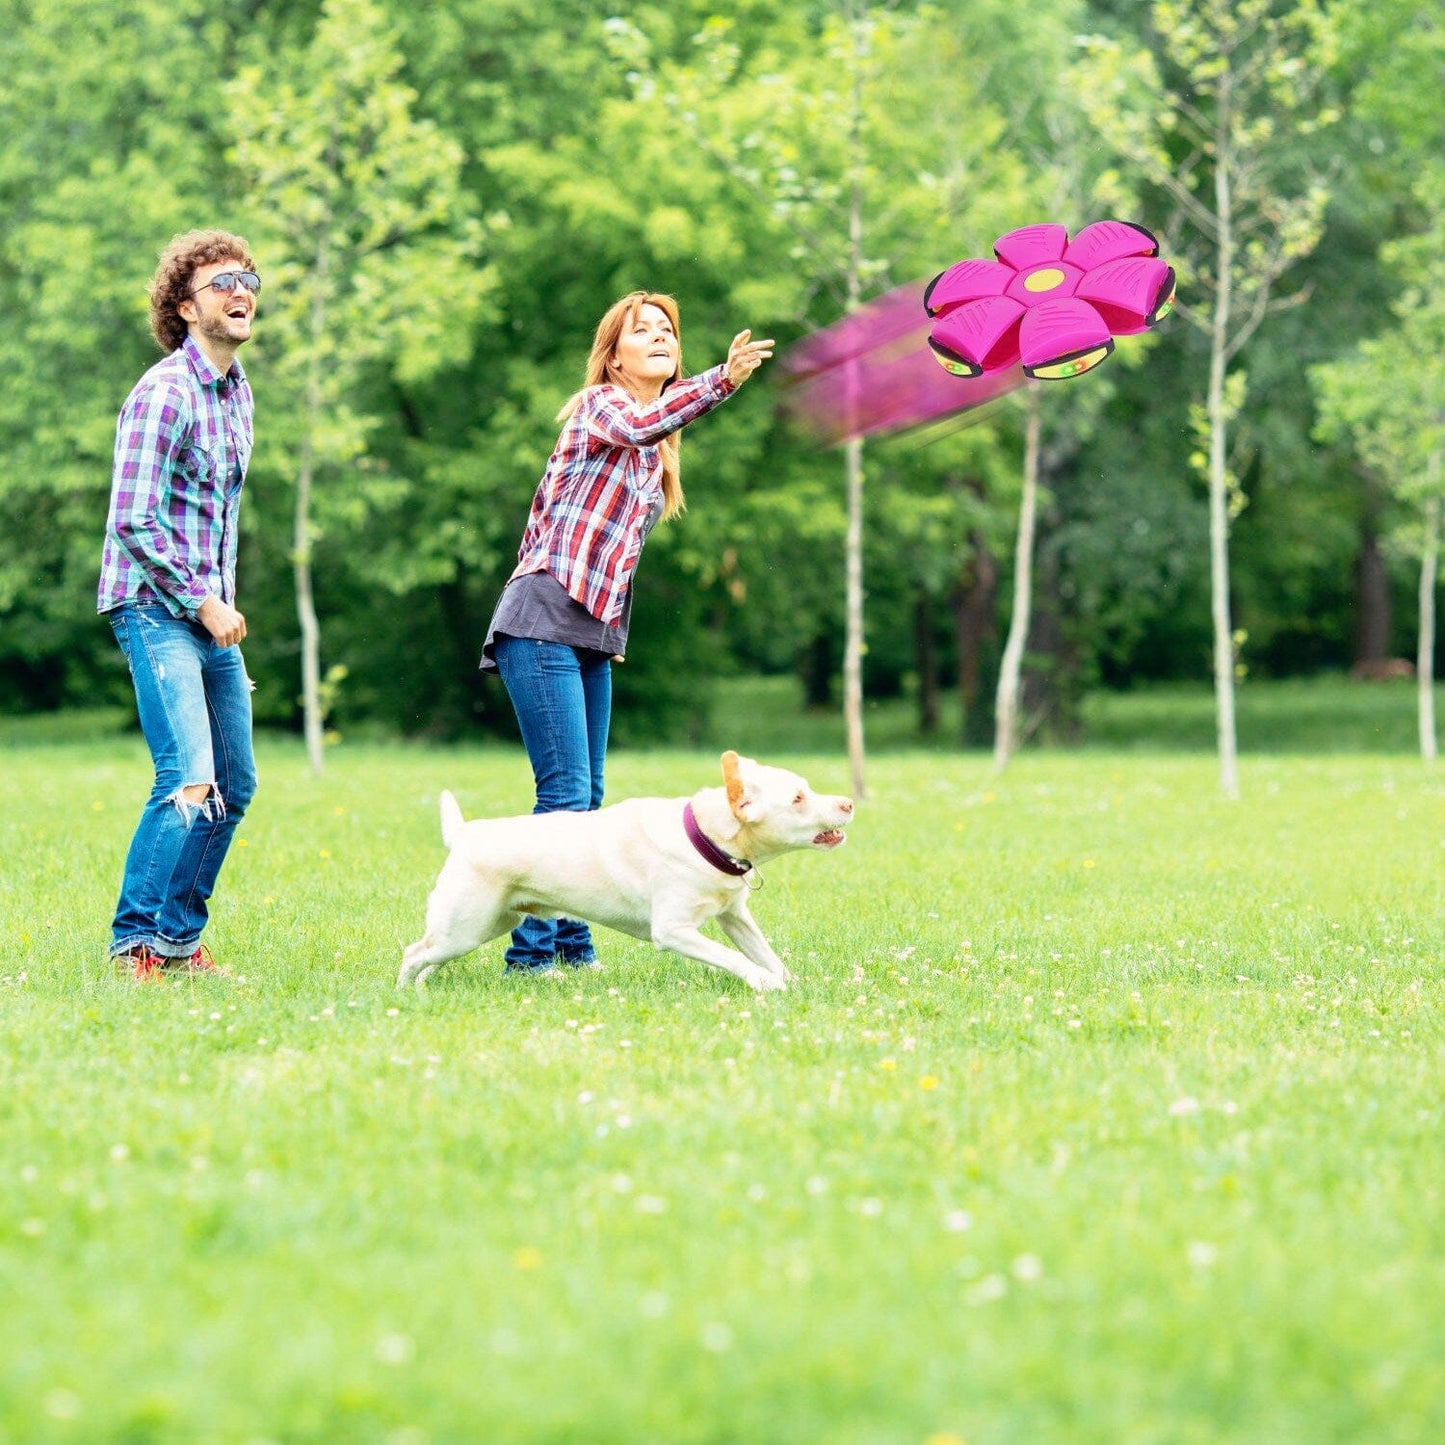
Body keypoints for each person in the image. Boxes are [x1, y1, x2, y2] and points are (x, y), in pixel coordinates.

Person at [479, 290, 773, 975]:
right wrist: (722, 379)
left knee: (589, 802)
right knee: (564, 797)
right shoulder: (601, 409)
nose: (660, 337)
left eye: (667, 329)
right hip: (542, 617)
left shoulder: (653, 447)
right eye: (642, 331)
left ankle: (573, 948)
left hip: (588, 630)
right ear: (613, 358)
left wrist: (607, 634)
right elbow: (642, 425)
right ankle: (530, 958)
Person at [97, 229, 261, 981]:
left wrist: (218, 613)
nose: (241, 291)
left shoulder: (238, 393)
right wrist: (202, 602)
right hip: (154, 606)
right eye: (222, 281)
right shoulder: (164, 392)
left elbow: (215, 518)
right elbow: (132, 519)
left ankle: (176, 943)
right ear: (185, 307)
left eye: (248, 279)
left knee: (235, 783)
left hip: (206, 614)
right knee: (189, 777)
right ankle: (134, 944)